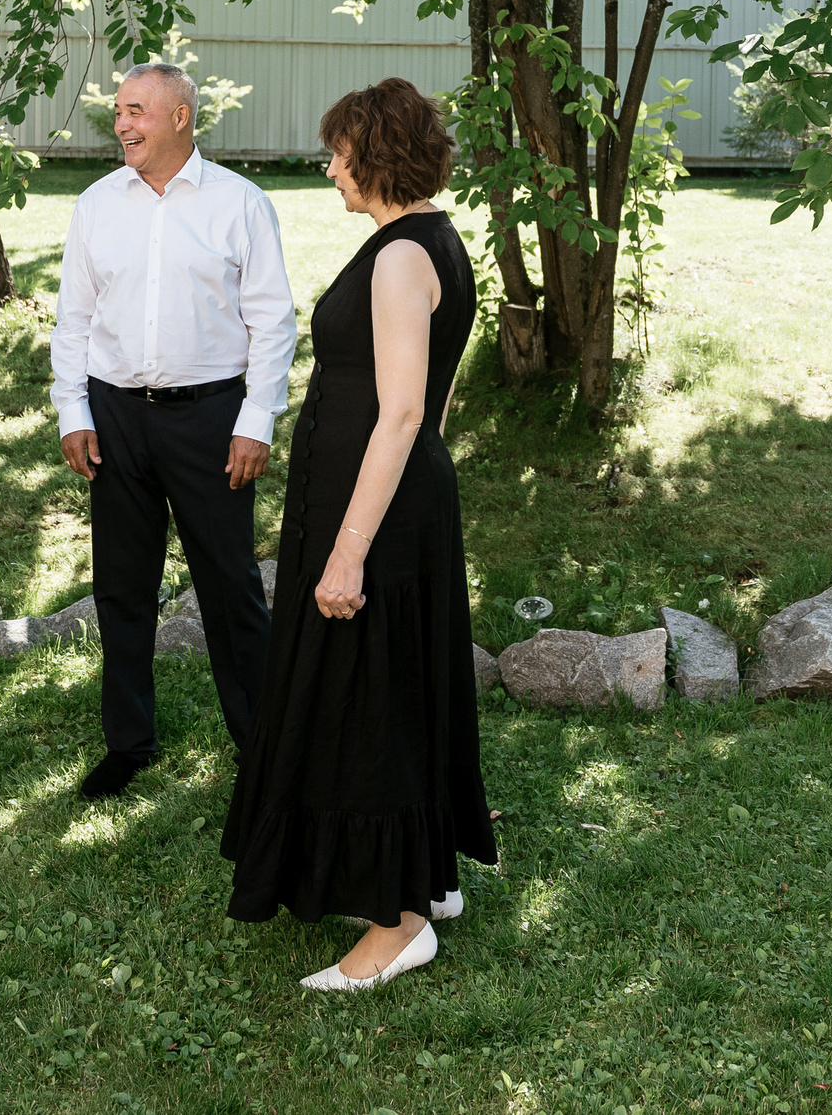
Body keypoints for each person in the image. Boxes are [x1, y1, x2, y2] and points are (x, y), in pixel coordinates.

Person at [218, 78, 496, 991]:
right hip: (391, 501)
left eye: (340, 150)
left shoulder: (397, 258)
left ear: (375, 155)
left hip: (373, 517)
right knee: (393, 688)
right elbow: (435, 399)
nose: (330, 165)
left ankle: (400, 921)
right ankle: (420, 875)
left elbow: (408, 408)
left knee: (368, 700)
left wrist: (348, 549)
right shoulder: (431, 243)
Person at [51, 62, 297, 800]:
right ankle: (128, 742)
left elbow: (272, 320)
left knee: (230, 585)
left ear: (181, 117)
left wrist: (257, 419)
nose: (122, 124)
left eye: (136, 112)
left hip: (211, 419)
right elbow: (74, 319)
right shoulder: (97, 205)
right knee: (122, 587)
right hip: (116, 415)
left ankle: (262, 746)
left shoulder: (239, 203)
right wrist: (73, 411)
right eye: (120, 111)